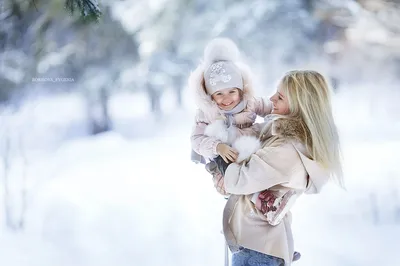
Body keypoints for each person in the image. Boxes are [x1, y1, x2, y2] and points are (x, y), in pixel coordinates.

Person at [214, 70, 344, 266]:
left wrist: (221, 158)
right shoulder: (279, 136)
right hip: (258, 245)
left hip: (257, 249)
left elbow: (239, 180)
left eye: (280, 97)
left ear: (300, 106)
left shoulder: (287, 149)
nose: (271, 99)